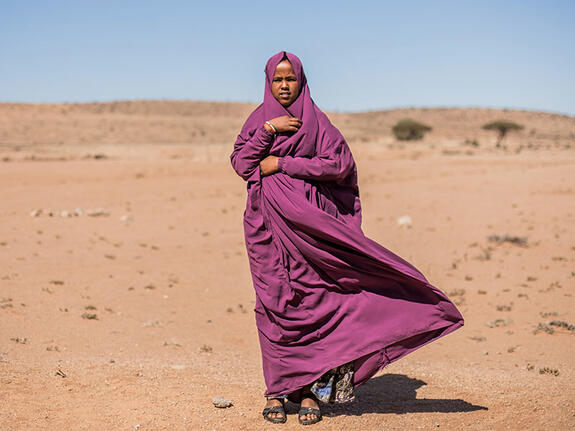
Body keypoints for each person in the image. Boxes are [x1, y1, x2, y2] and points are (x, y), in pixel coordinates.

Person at [229, 51, 464, 426]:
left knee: (316, 303)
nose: (285, 86)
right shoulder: (258, 121)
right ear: (268, 82)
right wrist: (270, 131)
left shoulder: (319, 124)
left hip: (314, 233)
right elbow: (242, 165)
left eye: (291, 79)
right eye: (278, 80)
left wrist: (284, 163)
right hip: (267, 232)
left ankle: (307, 391)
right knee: (275, 303)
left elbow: (339, 165)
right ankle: (276, 389)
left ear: (301, 81)